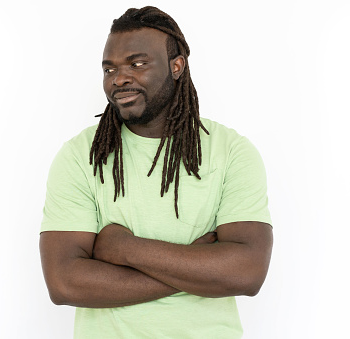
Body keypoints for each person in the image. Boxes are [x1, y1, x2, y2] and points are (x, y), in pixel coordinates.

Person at [40, 6, 273, 339]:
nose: (119, 78)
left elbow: (246, 273)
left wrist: (123, 248)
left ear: (176, 66)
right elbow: (64, 282)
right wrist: (200, 268)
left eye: (137, 64)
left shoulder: (231, 151)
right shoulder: (80, 156)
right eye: (110, 69)